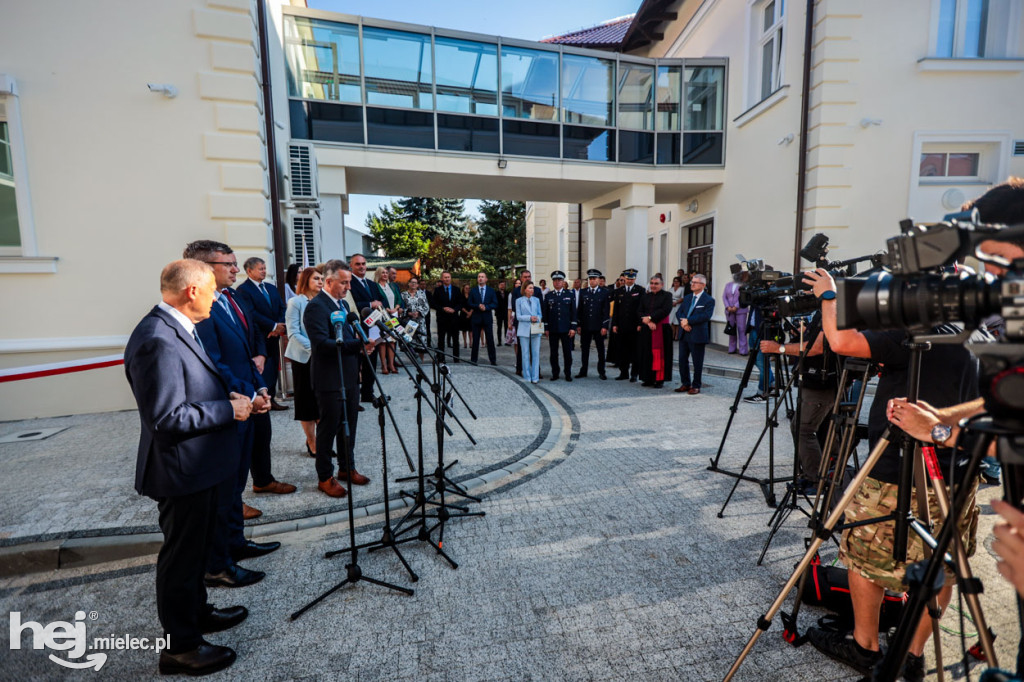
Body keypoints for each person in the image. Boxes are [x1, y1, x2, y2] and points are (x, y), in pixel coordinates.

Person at [804, 267, 985, 681]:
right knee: (940, 565)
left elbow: (840, 341)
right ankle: (912, 655)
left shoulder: (915, 331)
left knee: (863, 557)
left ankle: (865, 645)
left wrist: (830, 296)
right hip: (956, 473)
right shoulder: (976, 332)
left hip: (892, 472)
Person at [125, 259, 250, 676]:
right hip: (182, 471)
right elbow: (167, 419)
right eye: (212, 288)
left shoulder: (179, 327)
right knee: (180, 561)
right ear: (192, 291)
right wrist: (228, 410)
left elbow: (194, 386)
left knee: (195, 554)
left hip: (202, 466)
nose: (218, 297)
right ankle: (180, 647)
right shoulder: (156, 338)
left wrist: (229, 395)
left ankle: (197, 615)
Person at [184, 240, 286, 589]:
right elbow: (215, 362)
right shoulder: (201, 309)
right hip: (229, 407)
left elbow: (247, 347)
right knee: (223, 489)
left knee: (236, 483)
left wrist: (260, 387)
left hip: (247, 397)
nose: (234, 268)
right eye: (226, 263)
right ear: (203, 268)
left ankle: (236, 544)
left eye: (234, 262)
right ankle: (218, 564)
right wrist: (245, 394)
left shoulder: (231, 298)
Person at [304, 261, 372, 498]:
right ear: (329, 281)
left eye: (349, 281)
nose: (348, 286)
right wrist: (359, 345)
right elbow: (322, 345)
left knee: (349, 427)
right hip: (330, 379)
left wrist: (360, 357)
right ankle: (325, 477)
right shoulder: (316, 307)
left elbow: (349, 336)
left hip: (349, 376)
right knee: (329, 430)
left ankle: (347, 468)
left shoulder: (342, 304)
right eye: (344, 282)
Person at [758, 312, 834, 488]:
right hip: (814, 379)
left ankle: (815, 479)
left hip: (821, 383)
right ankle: (817, 472)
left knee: (803, 429)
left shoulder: (832, 309)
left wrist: (779, 348)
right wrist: (806, 332)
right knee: (813, 428)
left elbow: (817, 347)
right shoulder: (823, 310)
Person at [234, 257, 288, 411]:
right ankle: (262, 398)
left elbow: (281, 308)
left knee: (273, 366)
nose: (264, 271)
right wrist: (272, 326)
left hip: (275, 335)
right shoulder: (243, 290)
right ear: (249, 271)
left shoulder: (271, 288)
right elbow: (251, 313)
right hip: (260, 336)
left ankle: (272, 396)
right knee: (264, 368)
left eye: (264, 268)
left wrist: (280, 325)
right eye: (260, 269)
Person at [285, 267, 323, 458]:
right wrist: (314, 348)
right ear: (306, 280)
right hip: (303, 358)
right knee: (306, 402)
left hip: (322, 358)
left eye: (322, 278)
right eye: (316, 278)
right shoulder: (295, 302)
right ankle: (311, 441)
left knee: (321, 400)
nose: (320, 281)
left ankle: (322, 440)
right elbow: (293, 332)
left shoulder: (323, 302)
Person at [347, 254, 382, 401]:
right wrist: (369, 304)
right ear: (351, 266)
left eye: (363, 264)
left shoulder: (372, 284)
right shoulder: (349, 283)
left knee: (371, 362)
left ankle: (368, 393)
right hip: (358, 329)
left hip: (373, 328)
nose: (361, 267)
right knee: (357, 365)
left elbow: (379, 302)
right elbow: (350, 305)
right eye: (358, 264)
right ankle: (354, 397)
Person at [674, 273, 715, 395]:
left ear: (703, 285)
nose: (692, 284)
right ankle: (685, 383)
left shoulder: (708, 300)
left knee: (697, 362)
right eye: (692, 282)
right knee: (682, 360)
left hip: (697, 334)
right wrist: (683, 323)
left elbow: (706, 316)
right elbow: (679, 312)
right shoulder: (687, 298)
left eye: (695, 282)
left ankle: (696, 385)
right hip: (684, 333)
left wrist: (689, 321)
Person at [637, 275, 674, 388]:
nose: (653, 285)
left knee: (660, 354)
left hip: (662, 329)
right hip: (647, 329)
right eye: (652, 283)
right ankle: (647, 378)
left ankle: (659, 379)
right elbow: (639, 311)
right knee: (646, 354)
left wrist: (651, 318)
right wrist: (648, 322)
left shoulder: (667, 295)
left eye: (656, 283)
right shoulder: (645, 296)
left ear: (662, 285)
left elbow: (665, 310)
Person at [575, 268, 610, 380]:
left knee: (600, 350)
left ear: (599, 279)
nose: (592, 280)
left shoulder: (604, 292)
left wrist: (605, 326)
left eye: (594, 278)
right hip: (586, 326)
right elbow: (579, 310)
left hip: (599, 326)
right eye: (590, 278)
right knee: (584, 349)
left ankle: (602, 371)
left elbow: (606, 311)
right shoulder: (583, 292)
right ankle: (583, 370)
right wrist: (579, 325)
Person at [542, 270, 577, 381]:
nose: (557, 282)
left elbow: (573, 313)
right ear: (552, 282)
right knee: (553, 353)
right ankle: (555, 373)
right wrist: (546, 328)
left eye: (559, 280)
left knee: (567, 353)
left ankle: (568, 373)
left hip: (566, 329)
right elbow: (545, 314)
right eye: (555, 280)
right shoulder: (548, 296)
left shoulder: (569, 294)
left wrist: (573, 328)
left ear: (563, 282)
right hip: (553, 329)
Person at [611, 268, 644, 382]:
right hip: (622, 325)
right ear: (624, 278)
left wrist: (640, 323)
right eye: (628, 278)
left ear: (635, 278)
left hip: (635, 326)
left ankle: (634, 373)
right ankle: (623, 372)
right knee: (622, 350)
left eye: (632, 278)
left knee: (635, 350)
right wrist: (614, 324)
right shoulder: (619, 291)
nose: (630, 280)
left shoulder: (640, 290)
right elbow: (616, 310)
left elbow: (642, 308)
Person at [372, 267, 400, 374]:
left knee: (392, 340)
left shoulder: (392, 286)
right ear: (378, 274)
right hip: (382, 314)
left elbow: (398, 298)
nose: (385, 274)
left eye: (386, 273)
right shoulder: (376, 286)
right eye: (382, 273)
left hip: (393, 315)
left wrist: (395, 308)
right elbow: (378, 299)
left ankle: (391, 364)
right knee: (383, 341)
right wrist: (387, 309)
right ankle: (384, 366)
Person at [467, 271, 498, 365]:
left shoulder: (491, 290)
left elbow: (495, 303)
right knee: (475, 339)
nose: (480, 278)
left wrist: (486, 307)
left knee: (490, 339)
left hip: (487, 318)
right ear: (477, 279)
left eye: (482, 277)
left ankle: (493, 360)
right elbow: (469, 303)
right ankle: (473, 359)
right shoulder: (473, 290)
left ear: (486, 279)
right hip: (476, 318)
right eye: (479, 277)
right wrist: (478, 306)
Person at [433, 271, 464, 362]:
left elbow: (461, 303)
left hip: (454, 318)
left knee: (455, 339)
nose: (447, 279)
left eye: (448, 277)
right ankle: (441, 358)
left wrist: (454, 309)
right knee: (441, 339)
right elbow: (434, 304)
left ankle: (456, 358)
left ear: (451, 278)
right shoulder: (438, 290)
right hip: (442, 318)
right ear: (442, 279)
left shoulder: (456, 290)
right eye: (445, 277)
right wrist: (443, 308)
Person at [515, 282, 542, 383]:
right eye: (530, 288)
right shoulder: (519, 301)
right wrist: (530, 318)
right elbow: (518, 316)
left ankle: (535, 377)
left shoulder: (537, 300)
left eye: (533, 288)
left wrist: (537, 318)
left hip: (535, 329)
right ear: (525, 289)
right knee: (525, 354)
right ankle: (527, 376)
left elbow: (540, 314)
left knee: (536, 353)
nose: (532, 290)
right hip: (524, 329)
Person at [510, 270, 534, 376]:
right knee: (521, 347)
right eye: (525, 277)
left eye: (529, 277)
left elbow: (540, 306)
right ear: (521, 278)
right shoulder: (516, 291)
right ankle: (519, 368)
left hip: (534, 323)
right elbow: (515, 307)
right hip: (521, 323)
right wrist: (529, 316)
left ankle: (536, 369)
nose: (527, 279)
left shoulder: (536, 290)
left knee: (534, 348)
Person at [401, 275, 430, 360]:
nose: (413, 284)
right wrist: (408, 313)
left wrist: (419, 313)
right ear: (409, 284)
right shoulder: (403, 294)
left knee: (421, 342)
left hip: (420, 321)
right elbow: (401, 307)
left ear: (418, 285)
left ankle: (421, 361)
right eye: (412, 282)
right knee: (408, 340)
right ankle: (412, 360)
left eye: (415, 283)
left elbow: (426, 307)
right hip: (409, 322)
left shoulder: (422, 294)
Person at [722, 271, 750, 355]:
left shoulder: (744, 285)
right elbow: (724, 296)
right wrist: (728, 306)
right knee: (732, 329)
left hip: (740, 310)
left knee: (741, 329)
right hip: (729, 311)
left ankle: (743, 350)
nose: (735, 276)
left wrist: (736, 306)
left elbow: (743, 297)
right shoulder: (728, 285)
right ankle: (732, 348)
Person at [459, 283, 473, 348]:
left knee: (471, 330)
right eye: (466, 288)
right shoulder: (461, 296)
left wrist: (470, 313)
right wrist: (467, 313)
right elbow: (461, 306)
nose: (467, 289)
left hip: (471, 314)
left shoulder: (471, 296)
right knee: (464, 330)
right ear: (463, 289)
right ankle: (465, 342)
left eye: (468, 288)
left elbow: (474, 305)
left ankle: (471, 342)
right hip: (463, 314)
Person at [495, 280, 508, 345]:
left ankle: (507, 340)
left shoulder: (507, 293)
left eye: (504, 285)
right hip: (499, 313)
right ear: (499, 286)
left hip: (506, 313)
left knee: (506, 327)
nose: (502, 286)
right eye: (501, 285)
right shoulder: (496, 293)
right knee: (499, 327)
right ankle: (499, 341)